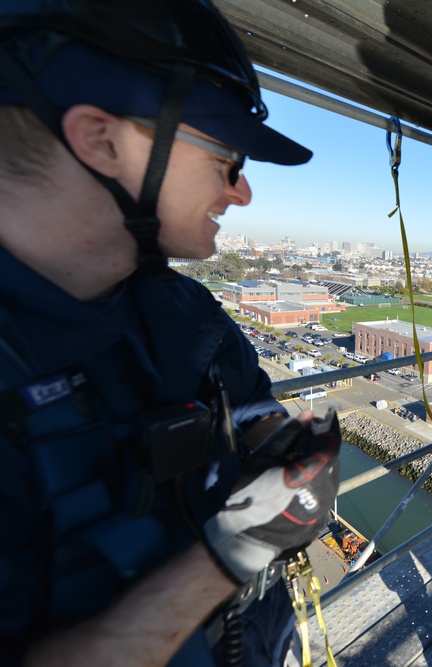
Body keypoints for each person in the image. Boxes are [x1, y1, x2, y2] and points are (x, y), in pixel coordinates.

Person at [0, 2, 340, 666]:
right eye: (228, 158)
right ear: (101, 139)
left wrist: (282, 444)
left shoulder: (183, 311)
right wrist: (229, 555)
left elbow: (250, 402)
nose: (241, 194)